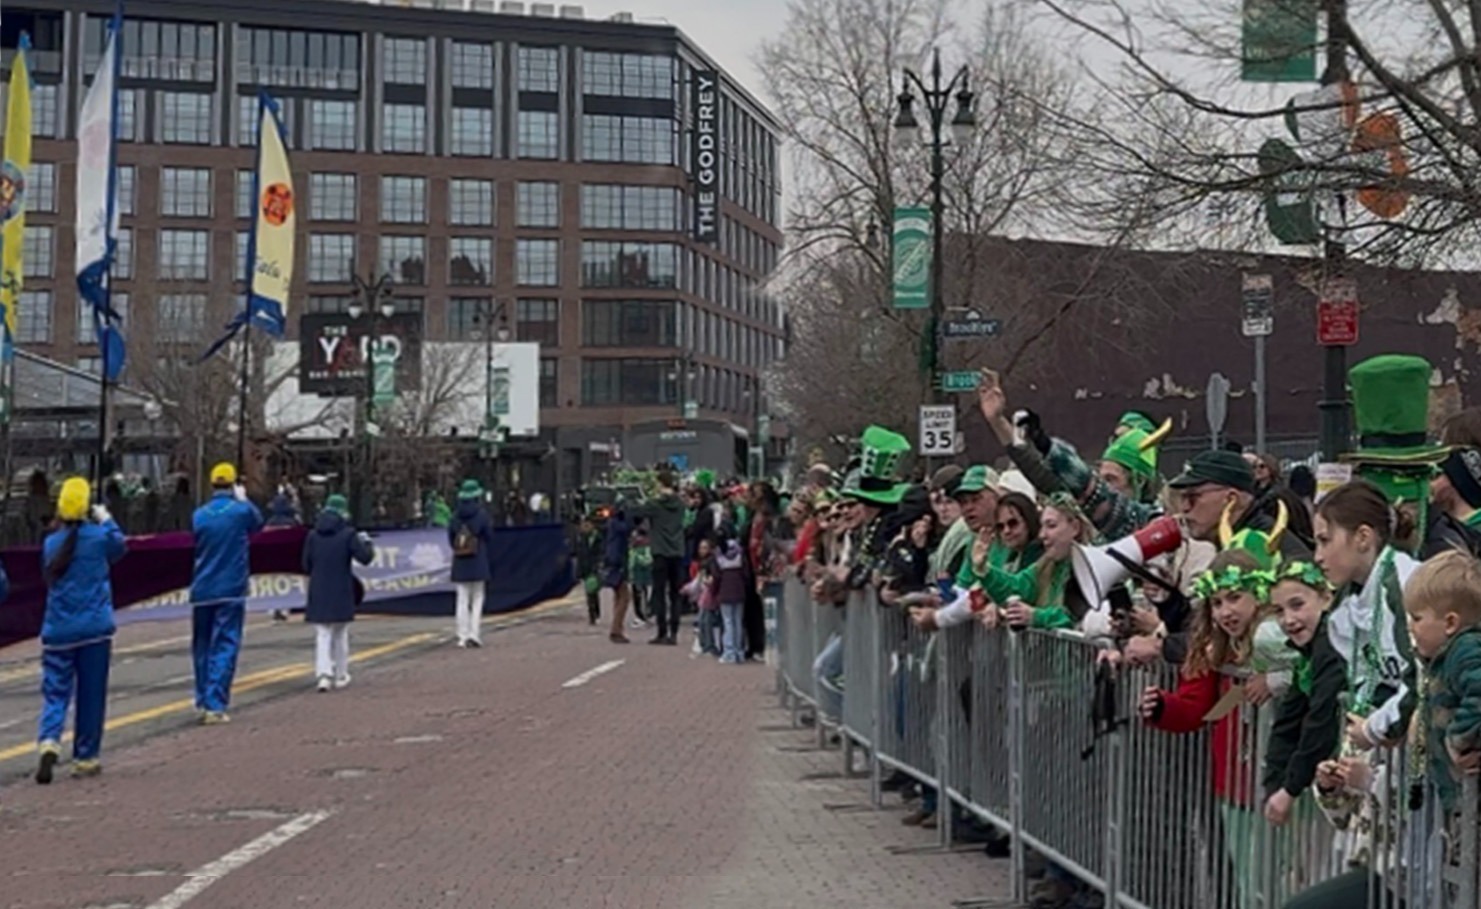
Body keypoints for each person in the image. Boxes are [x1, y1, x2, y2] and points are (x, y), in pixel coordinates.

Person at [35, 477, 124, 783]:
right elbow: (119, 546)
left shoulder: (51, 544)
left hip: (58, 629)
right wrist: (106, 518)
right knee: (90, 695)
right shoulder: (99, 538)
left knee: (55, 692)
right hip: (94, 629)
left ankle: (49, 739)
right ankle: (85, 757)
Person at [1261, 562, 1344, 825]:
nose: (1288, 620)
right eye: (1279, 611)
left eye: (1297, 605)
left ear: (1326, 598)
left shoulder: (1333, 644)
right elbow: (1288, 720)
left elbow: (1321, 719)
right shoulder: (1308, 652)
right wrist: (1275, 784)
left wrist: (1290, 789)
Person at [190, 463, 264, 726]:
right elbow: (258, 523)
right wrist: (244, 499)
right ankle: (215, 703)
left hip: (202, 587)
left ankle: (201, 699)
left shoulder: (199, 515)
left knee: (202, 646)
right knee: (225, 644)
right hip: (231, 587)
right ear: (233, 485)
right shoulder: (240, 511)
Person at [302, 494, 374, 692]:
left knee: (322, 634)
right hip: (341, 588)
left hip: (318, 588)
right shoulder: (348, 534)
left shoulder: (312, 535)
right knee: (340, 634)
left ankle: (323, 675)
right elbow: (365, 558)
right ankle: (341, 674)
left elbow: (305, 564)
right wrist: (366, 543)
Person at [630, 472, 686, 645]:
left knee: (659, 593)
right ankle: (674, 632)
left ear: (660, 484)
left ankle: (662, 632)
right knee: (675, 594)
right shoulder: (680, 504)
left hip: (660, 551)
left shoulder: (655, 504)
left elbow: (636, 512)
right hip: (677, 551)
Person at [448, 479, 495, 648]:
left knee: (462, 599)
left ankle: (462, 635)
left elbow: (451, 539)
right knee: (477, 598)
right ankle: (474, 634)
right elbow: (489, 536)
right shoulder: (482, 515)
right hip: (478, 560)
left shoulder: (454, 516)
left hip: (460, 561)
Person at [711, 533, 748, 664]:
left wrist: (714, 592)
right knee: (738, 621)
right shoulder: (740, 552)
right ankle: (739, 652)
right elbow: (746, 573)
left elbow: (716, 576)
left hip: (725, 590)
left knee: (728, 622)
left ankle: (729, 652)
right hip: (739, 590)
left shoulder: (718, 555)